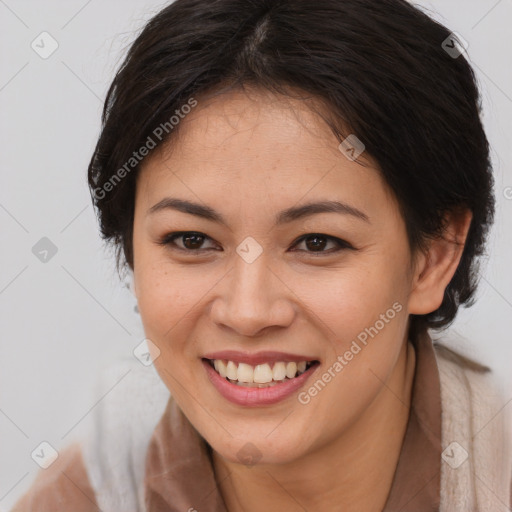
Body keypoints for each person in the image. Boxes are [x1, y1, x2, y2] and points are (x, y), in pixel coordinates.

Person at [12, 0, 512, 510]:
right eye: (191, 240)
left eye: (317, 243)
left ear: (433, 256)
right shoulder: (89, 492)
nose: (248, 313)